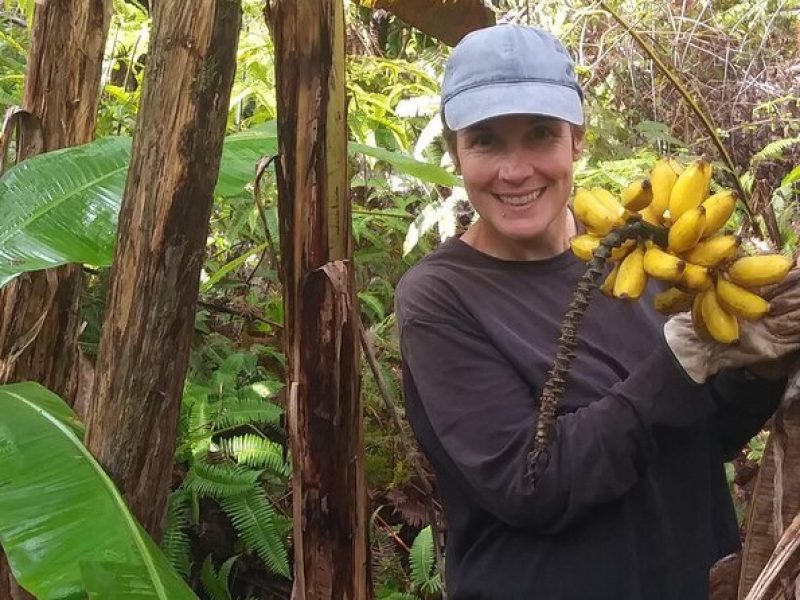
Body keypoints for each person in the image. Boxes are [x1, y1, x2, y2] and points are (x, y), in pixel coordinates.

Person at [394, 24, 797, 599]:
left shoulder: (648, 253)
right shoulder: (440, 298)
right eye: (486, 140)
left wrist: (757, 366)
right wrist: (679, 361)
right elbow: (531, 486)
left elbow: (699, 437)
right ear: (456, 154)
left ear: (577, 140)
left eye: (540, 134)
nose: (515, 169)